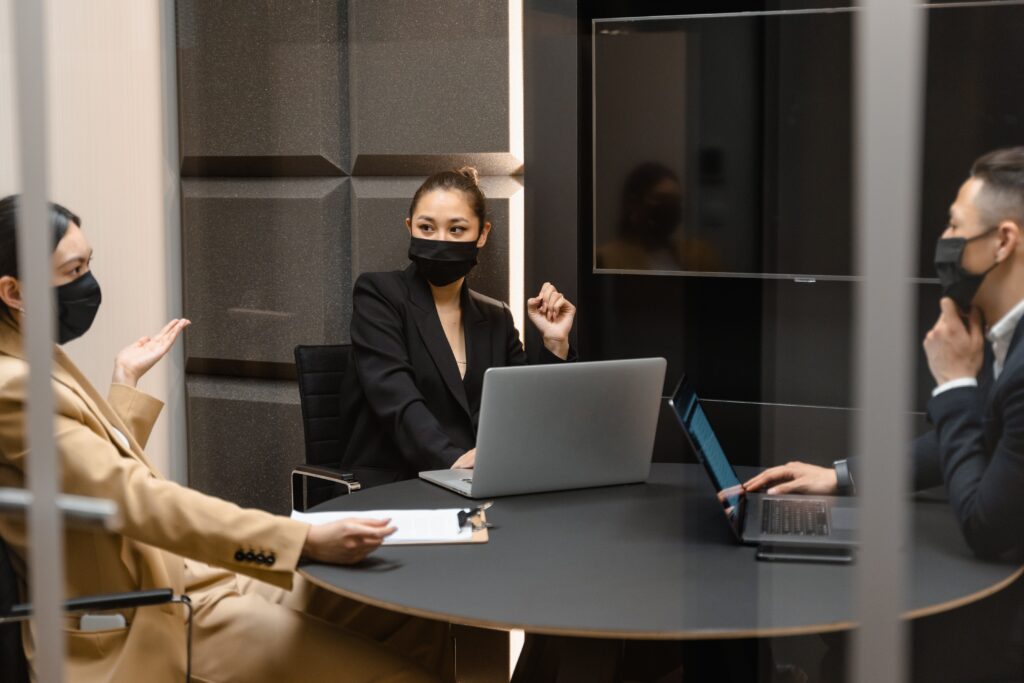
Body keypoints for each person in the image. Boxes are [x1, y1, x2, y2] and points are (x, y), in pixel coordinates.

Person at [0, 195, 451, 683]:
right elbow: (134, 499)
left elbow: (84, 480)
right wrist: (301, 540)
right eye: (73, 271)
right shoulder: (14, 387)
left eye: (90, 265)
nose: (88, 283)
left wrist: (124, 384)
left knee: (418, 616)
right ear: (13, 290)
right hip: (153, 613)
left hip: (195, 576)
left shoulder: (31, 359)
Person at [744, 147, 1024, 682]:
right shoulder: (1007, 331)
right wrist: (841, 477)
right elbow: (976, 437)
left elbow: (988, 525)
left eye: (955, 225)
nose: (945, 240)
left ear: (1003, 241)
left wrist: (955, 382)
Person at [338, 167, 577, 486]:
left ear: (482, 234)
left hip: (478, 489)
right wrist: (452, 461)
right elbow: (396, 400)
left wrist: (555, 342)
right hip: (395, 490)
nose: (440, 240)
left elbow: (528, 415)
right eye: (427, 227)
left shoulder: (496, 317)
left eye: (456, 229)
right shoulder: (378, 295)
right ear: (410, 227)